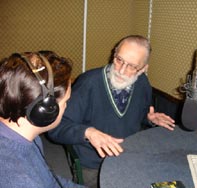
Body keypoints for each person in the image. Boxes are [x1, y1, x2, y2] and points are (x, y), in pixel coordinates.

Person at [48, 35, 176, 188]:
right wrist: (88, 132)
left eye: (131, 66)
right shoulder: (88, 83)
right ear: (114, 54)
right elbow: (55, 128)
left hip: (128, 156)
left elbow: (136, 117)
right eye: (119, 60)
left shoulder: (142, 84)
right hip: (94, 165)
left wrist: (149, 119)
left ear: (143, 69)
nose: (121, 70)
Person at [0, 52, 87, 188]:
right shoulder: (20, 180)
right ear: (45, 111)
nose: (66, 107)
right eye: (66, 101)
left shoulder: (26, 134)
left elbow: (49, 180)